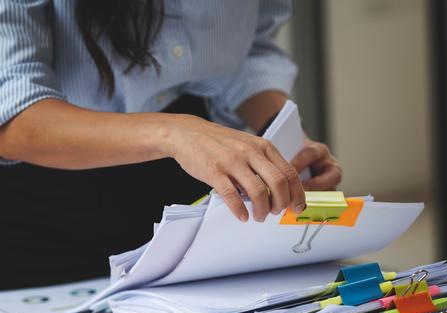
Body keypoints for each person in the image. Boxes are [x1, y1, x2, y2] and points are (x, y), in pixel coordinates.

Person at [0, 0, 341, 289]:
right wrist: (176, 135)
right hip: (44, 192)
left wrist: (281, 138)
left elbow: (247, 51)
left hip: (191, 181)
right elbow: (14, 114)